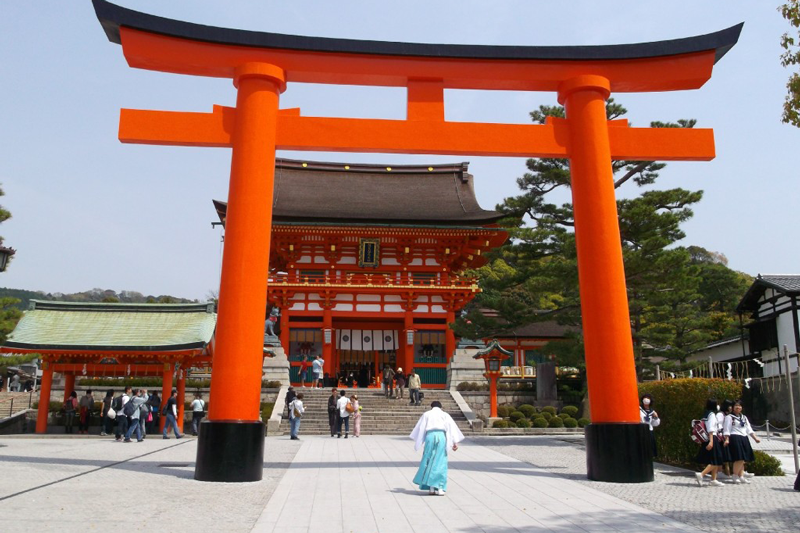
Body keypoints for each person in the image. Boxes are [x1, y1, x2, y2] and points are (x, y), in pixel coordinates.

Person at [410, 400, 465, 496]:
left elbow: (421, 427)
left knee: (428, 459)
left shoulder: (427, 414)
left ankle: (431, 487)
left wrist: (419, 441)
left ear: (431, 407)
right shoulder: (445, 415)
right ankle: (440, 487)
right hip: (441, 436)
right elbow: (451, 428)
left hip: (430, 436)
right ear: (440, 407)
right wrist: (454, 442)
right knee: (440, 461)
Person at [723, 400, 761, 484]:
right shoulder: (729, 417)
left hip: (744, 438)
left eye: (740, 406)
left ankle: (741, 476)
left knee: (743, 459)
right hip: (735, 437)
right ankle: (735, 475)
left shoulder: (744, 417)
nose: (738, 407)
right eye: (736, 405)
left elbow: (749, 429)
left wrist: (755, 438)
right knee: (739, 458)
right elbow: (727, 429)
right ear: (732, 407)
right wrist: (727, 439)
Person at [694, 398, 725, 487]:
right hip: (712, 437)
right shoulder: (711, 415)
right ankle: (701, 474)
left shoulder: (706, 414)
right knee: (716, 459)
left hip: (707, 438)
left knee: (715, 459)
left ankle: (713, 479)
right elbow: (711, 428)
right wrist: (711, 441)